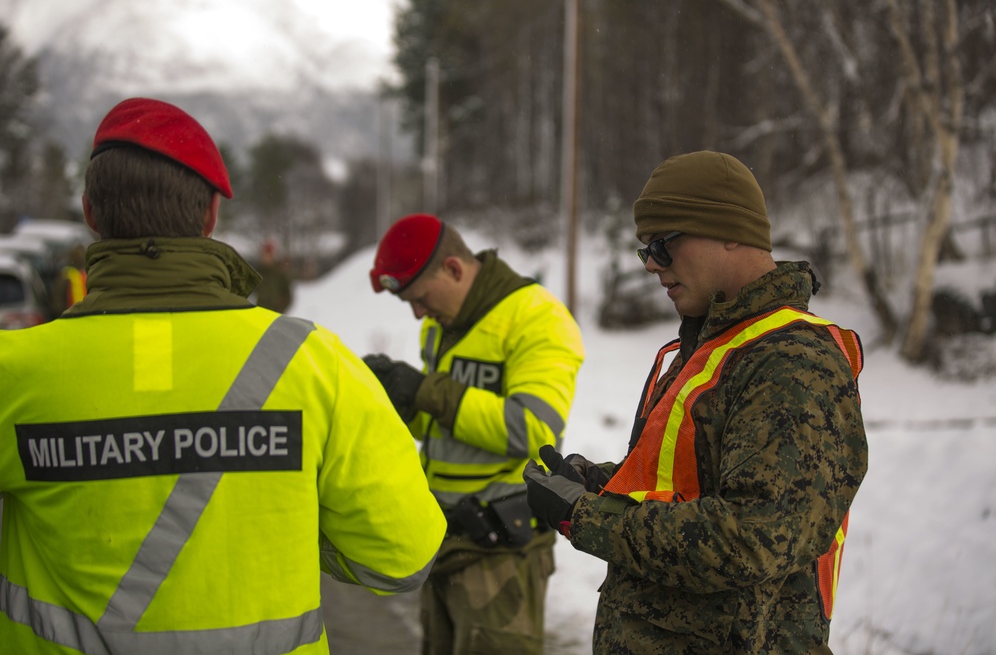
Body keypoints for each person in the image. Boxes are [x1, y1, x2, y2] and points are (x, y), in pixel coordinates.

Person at [0, 97, 445, 654]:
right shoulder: (315, 364)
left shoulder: (12, 372)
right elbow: (403, 555)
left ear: (91, 212)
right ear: (211, 216)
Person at [523, 151, 868, 654]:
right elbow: (688, 484)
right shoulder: (718, 347)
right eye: (645, 251)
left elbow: (753, 536)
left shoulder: (792, 361)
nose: (651, 266)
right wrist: (598, 484)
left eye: (662, 245)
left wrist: (589, 517)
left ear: (729, 230)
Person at [364, 214, 585, 654]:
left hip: (502, 555)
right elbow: (448, 427)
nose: (418, 313)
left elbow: (532, 429)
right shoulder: (442, 323)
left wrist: (428, 391)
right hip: (447, 542)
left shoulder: (536, 318)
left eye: (421, 298)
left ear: (453, 269)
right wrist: (400, 403)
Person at [254, 239, 293, 313]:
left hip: (275, 313)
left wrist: (280, 310)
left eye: (269, 255)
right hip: (260, 312)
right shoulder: (257, 272)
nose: (267, 258)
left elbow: (288, 296)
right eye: (265, 255)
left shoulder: (279, 273)